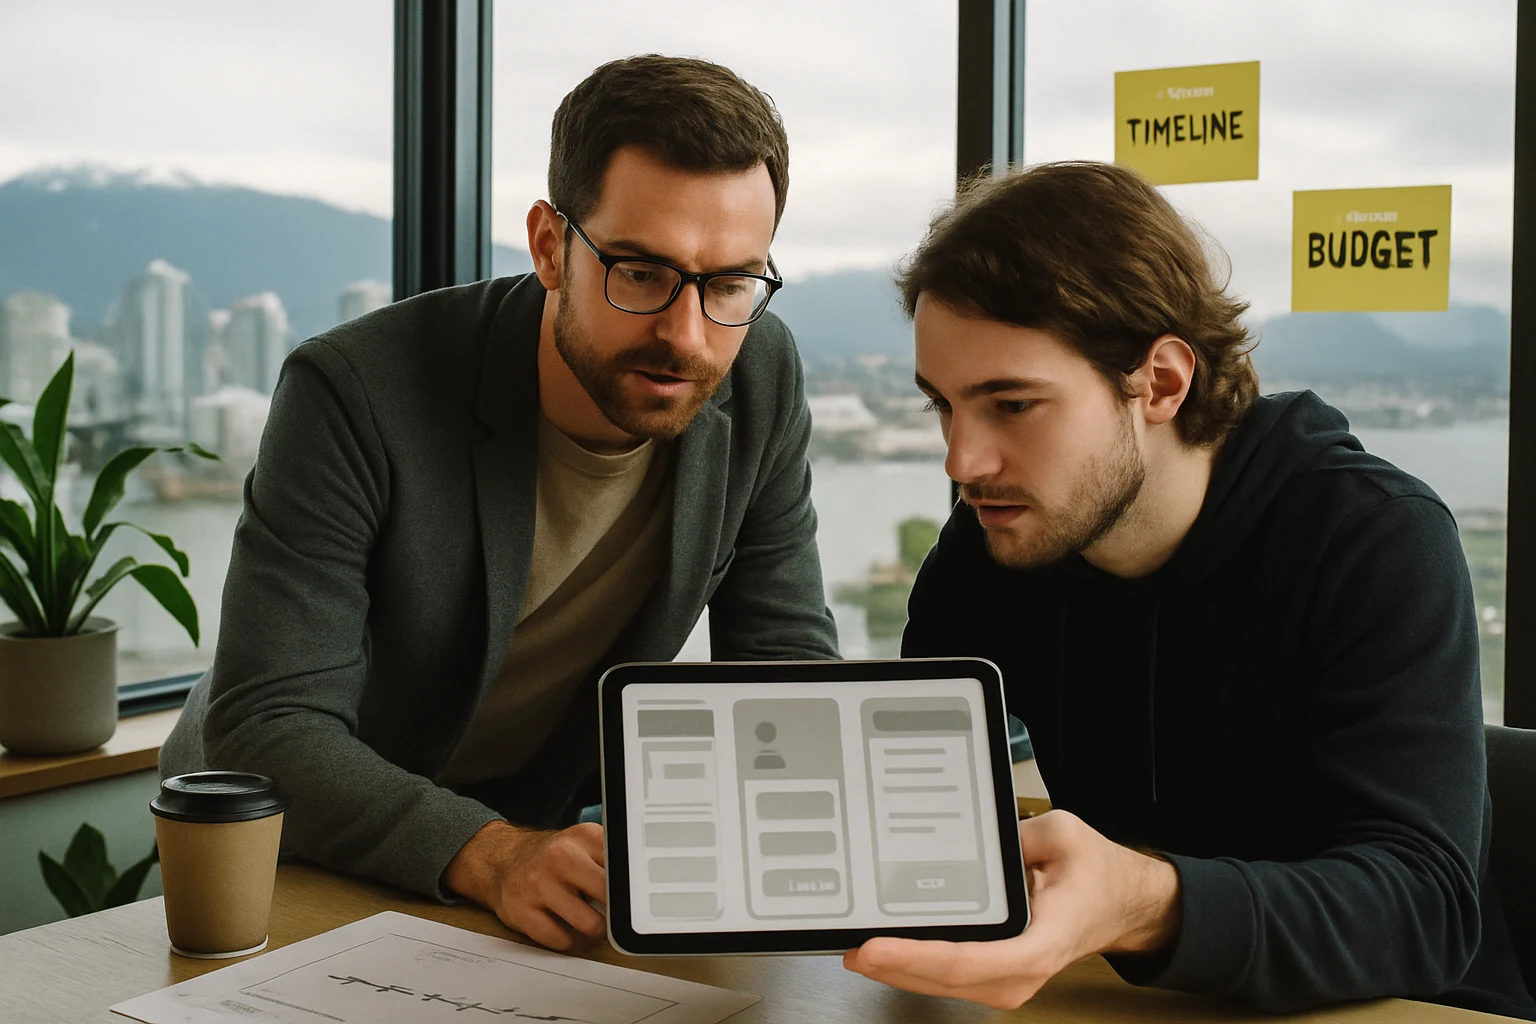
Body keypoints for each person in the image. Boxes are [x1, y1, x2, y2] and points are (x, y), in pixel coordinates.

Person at [161, 55, 838, 952]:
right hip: (301, 849)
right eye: (641, 272)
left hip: (536, 859)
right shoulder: (355, 389)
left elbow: (784, 668)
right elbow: (265, 729)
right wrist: (491, 855)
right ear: (552, 248)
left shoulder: (759, 366)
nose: (686, 334)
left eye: (729, 283)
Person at [843, 161, 1535, 1020]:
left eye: (1012, 405)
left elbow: (1423, 911)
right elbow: (911, 808)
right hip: (1133, 1005)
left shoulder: (1372, 535)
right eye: (942, 406)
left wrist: (1142, 900)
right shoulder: (995, 545)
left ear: (1163, 382)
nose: (962, 461)